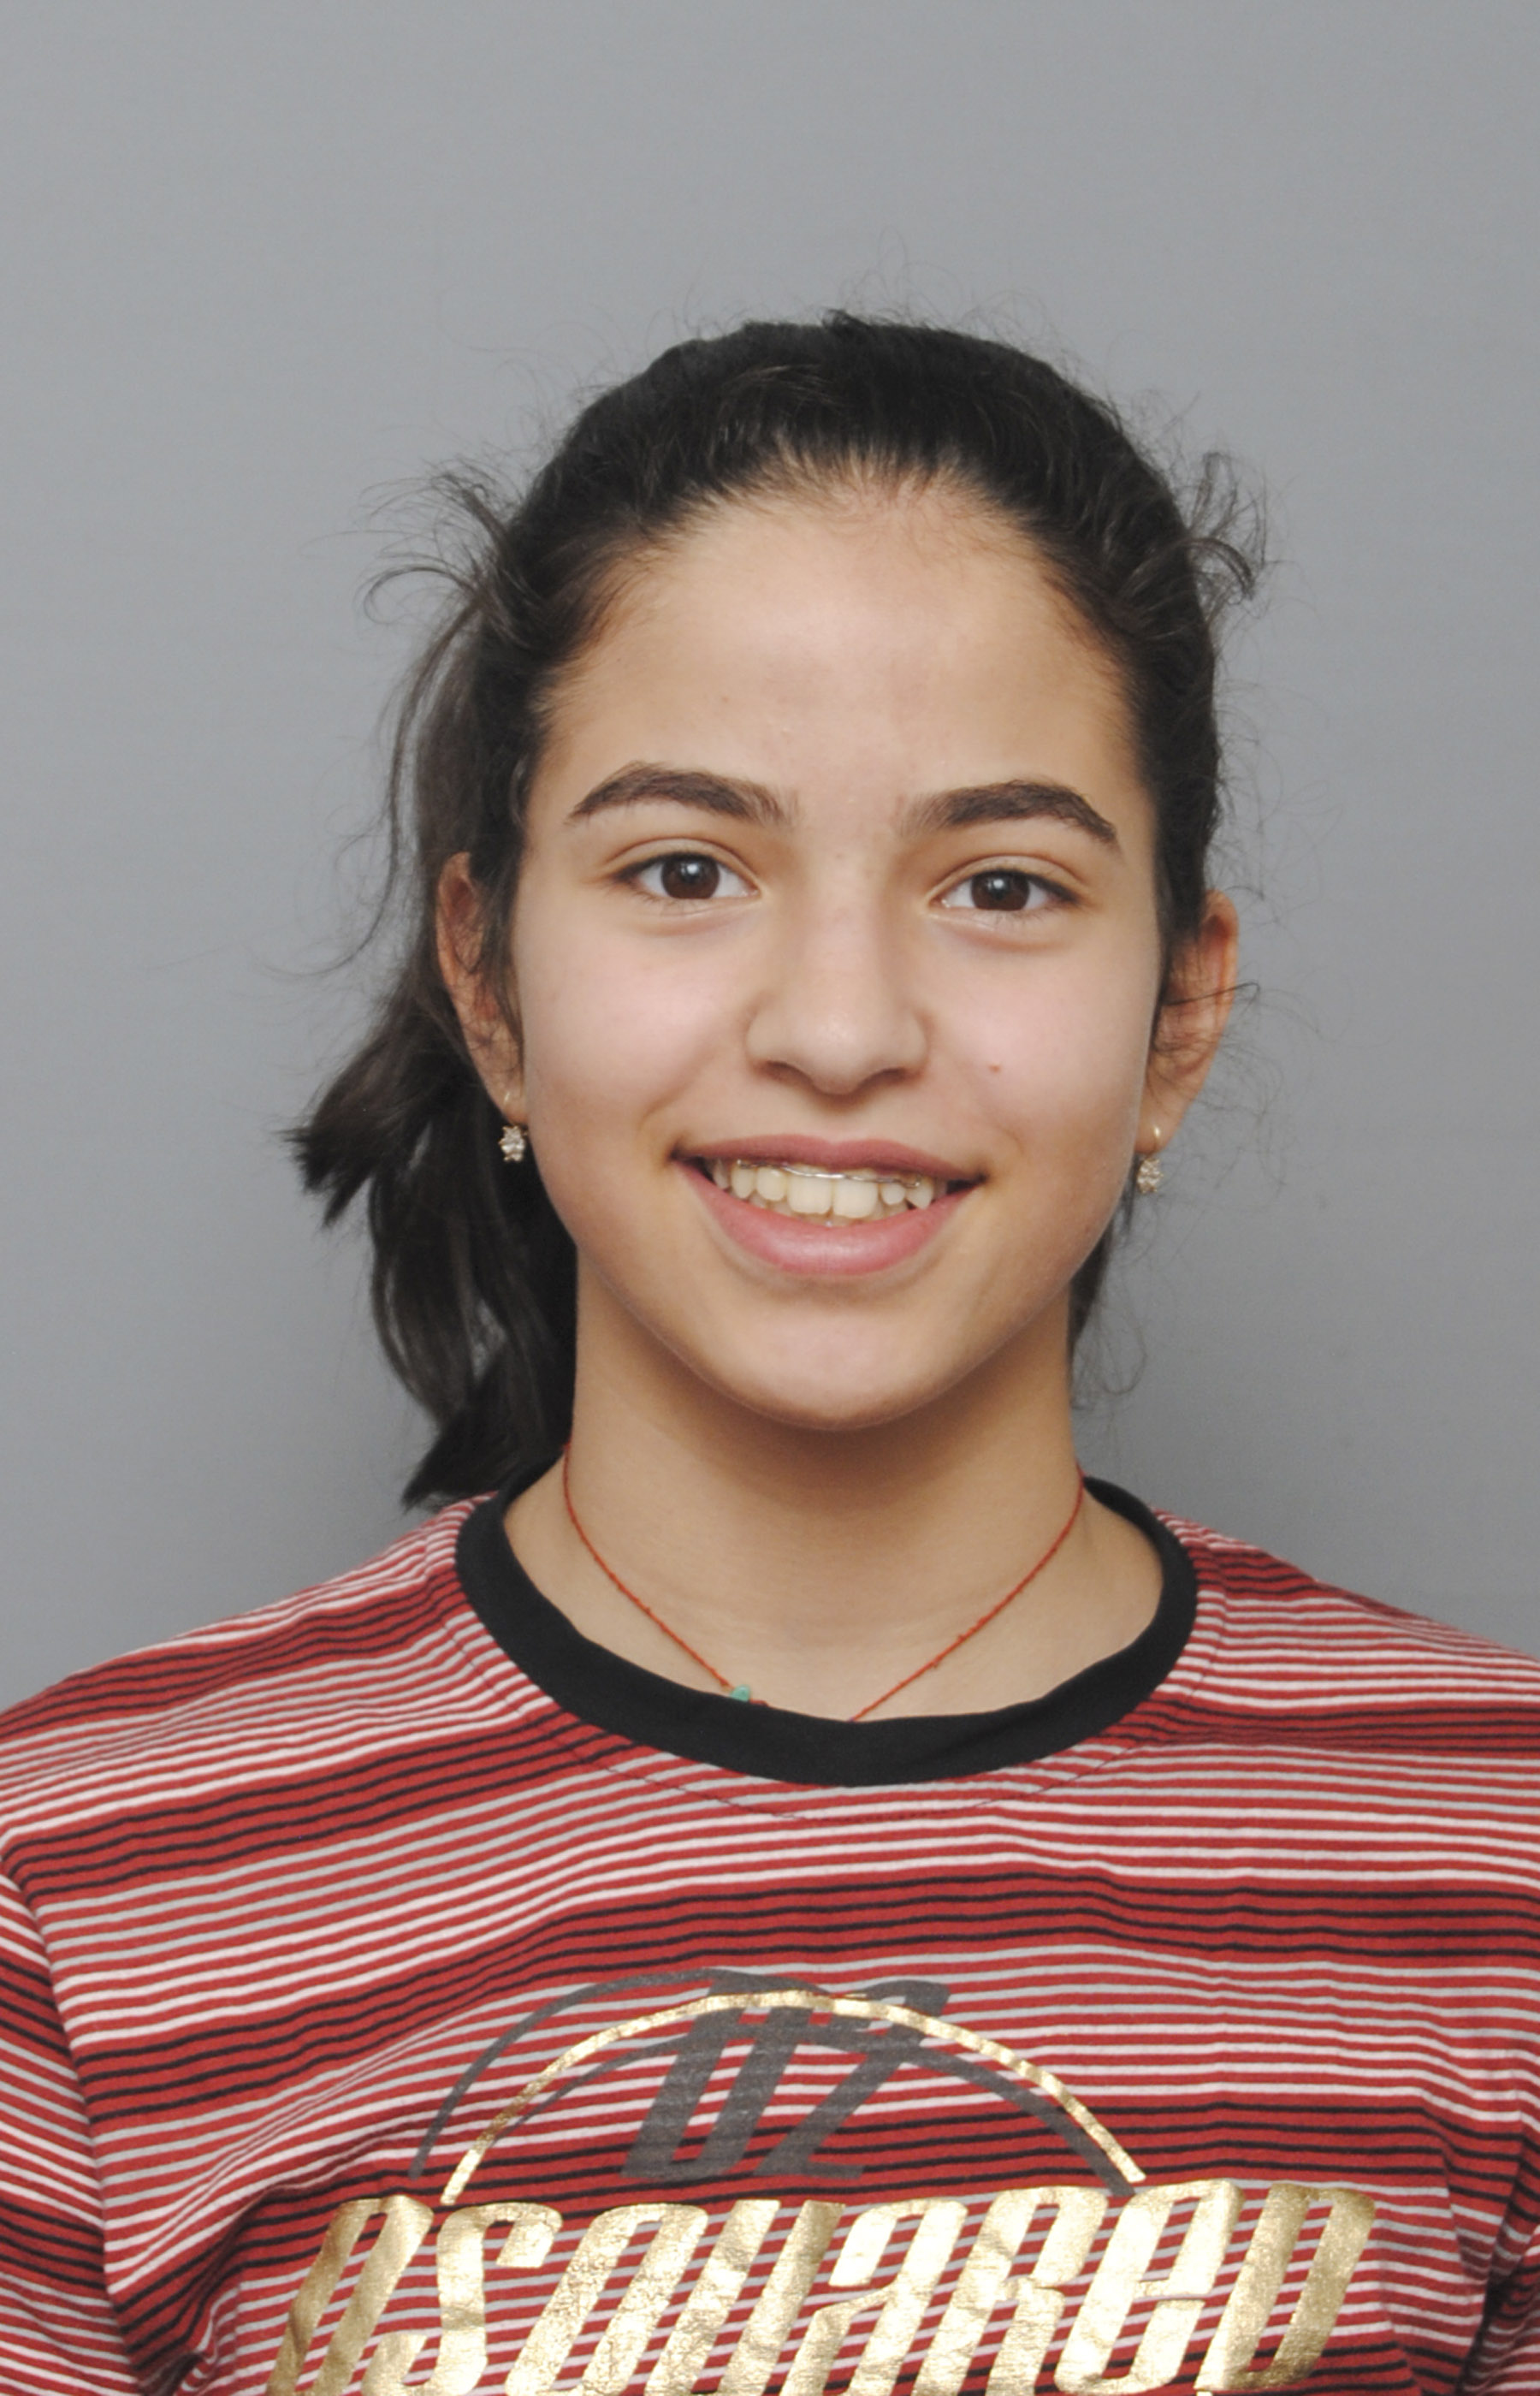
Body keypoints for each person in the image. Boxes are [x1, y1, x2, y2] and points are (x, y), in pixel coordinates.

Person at [1, 315, 1536, 2396]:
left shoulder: (1497, 1854)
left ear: (1178, 1013)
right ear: (489, 978)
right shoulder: (79, 1886)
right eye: (686, 868)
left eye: (1002, 884)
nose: (839, 1026)